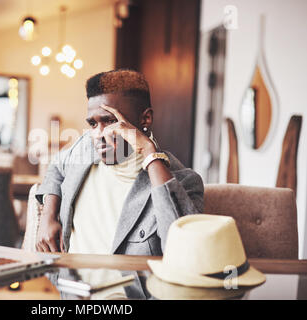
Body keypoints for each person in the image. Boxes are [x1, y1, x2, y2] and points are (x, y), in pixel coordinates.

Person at [34, 69, 204, 255]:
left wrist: (149, 153)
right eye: (92, 124)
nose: (98, 134)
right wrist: (47, 217)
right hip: (65, 282)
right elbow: (57, 166)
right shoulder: (85, 148)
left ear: (145, 118)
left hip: (128, 285)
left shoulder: (184, 181)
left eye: (110, 121)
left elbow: (182, 250)